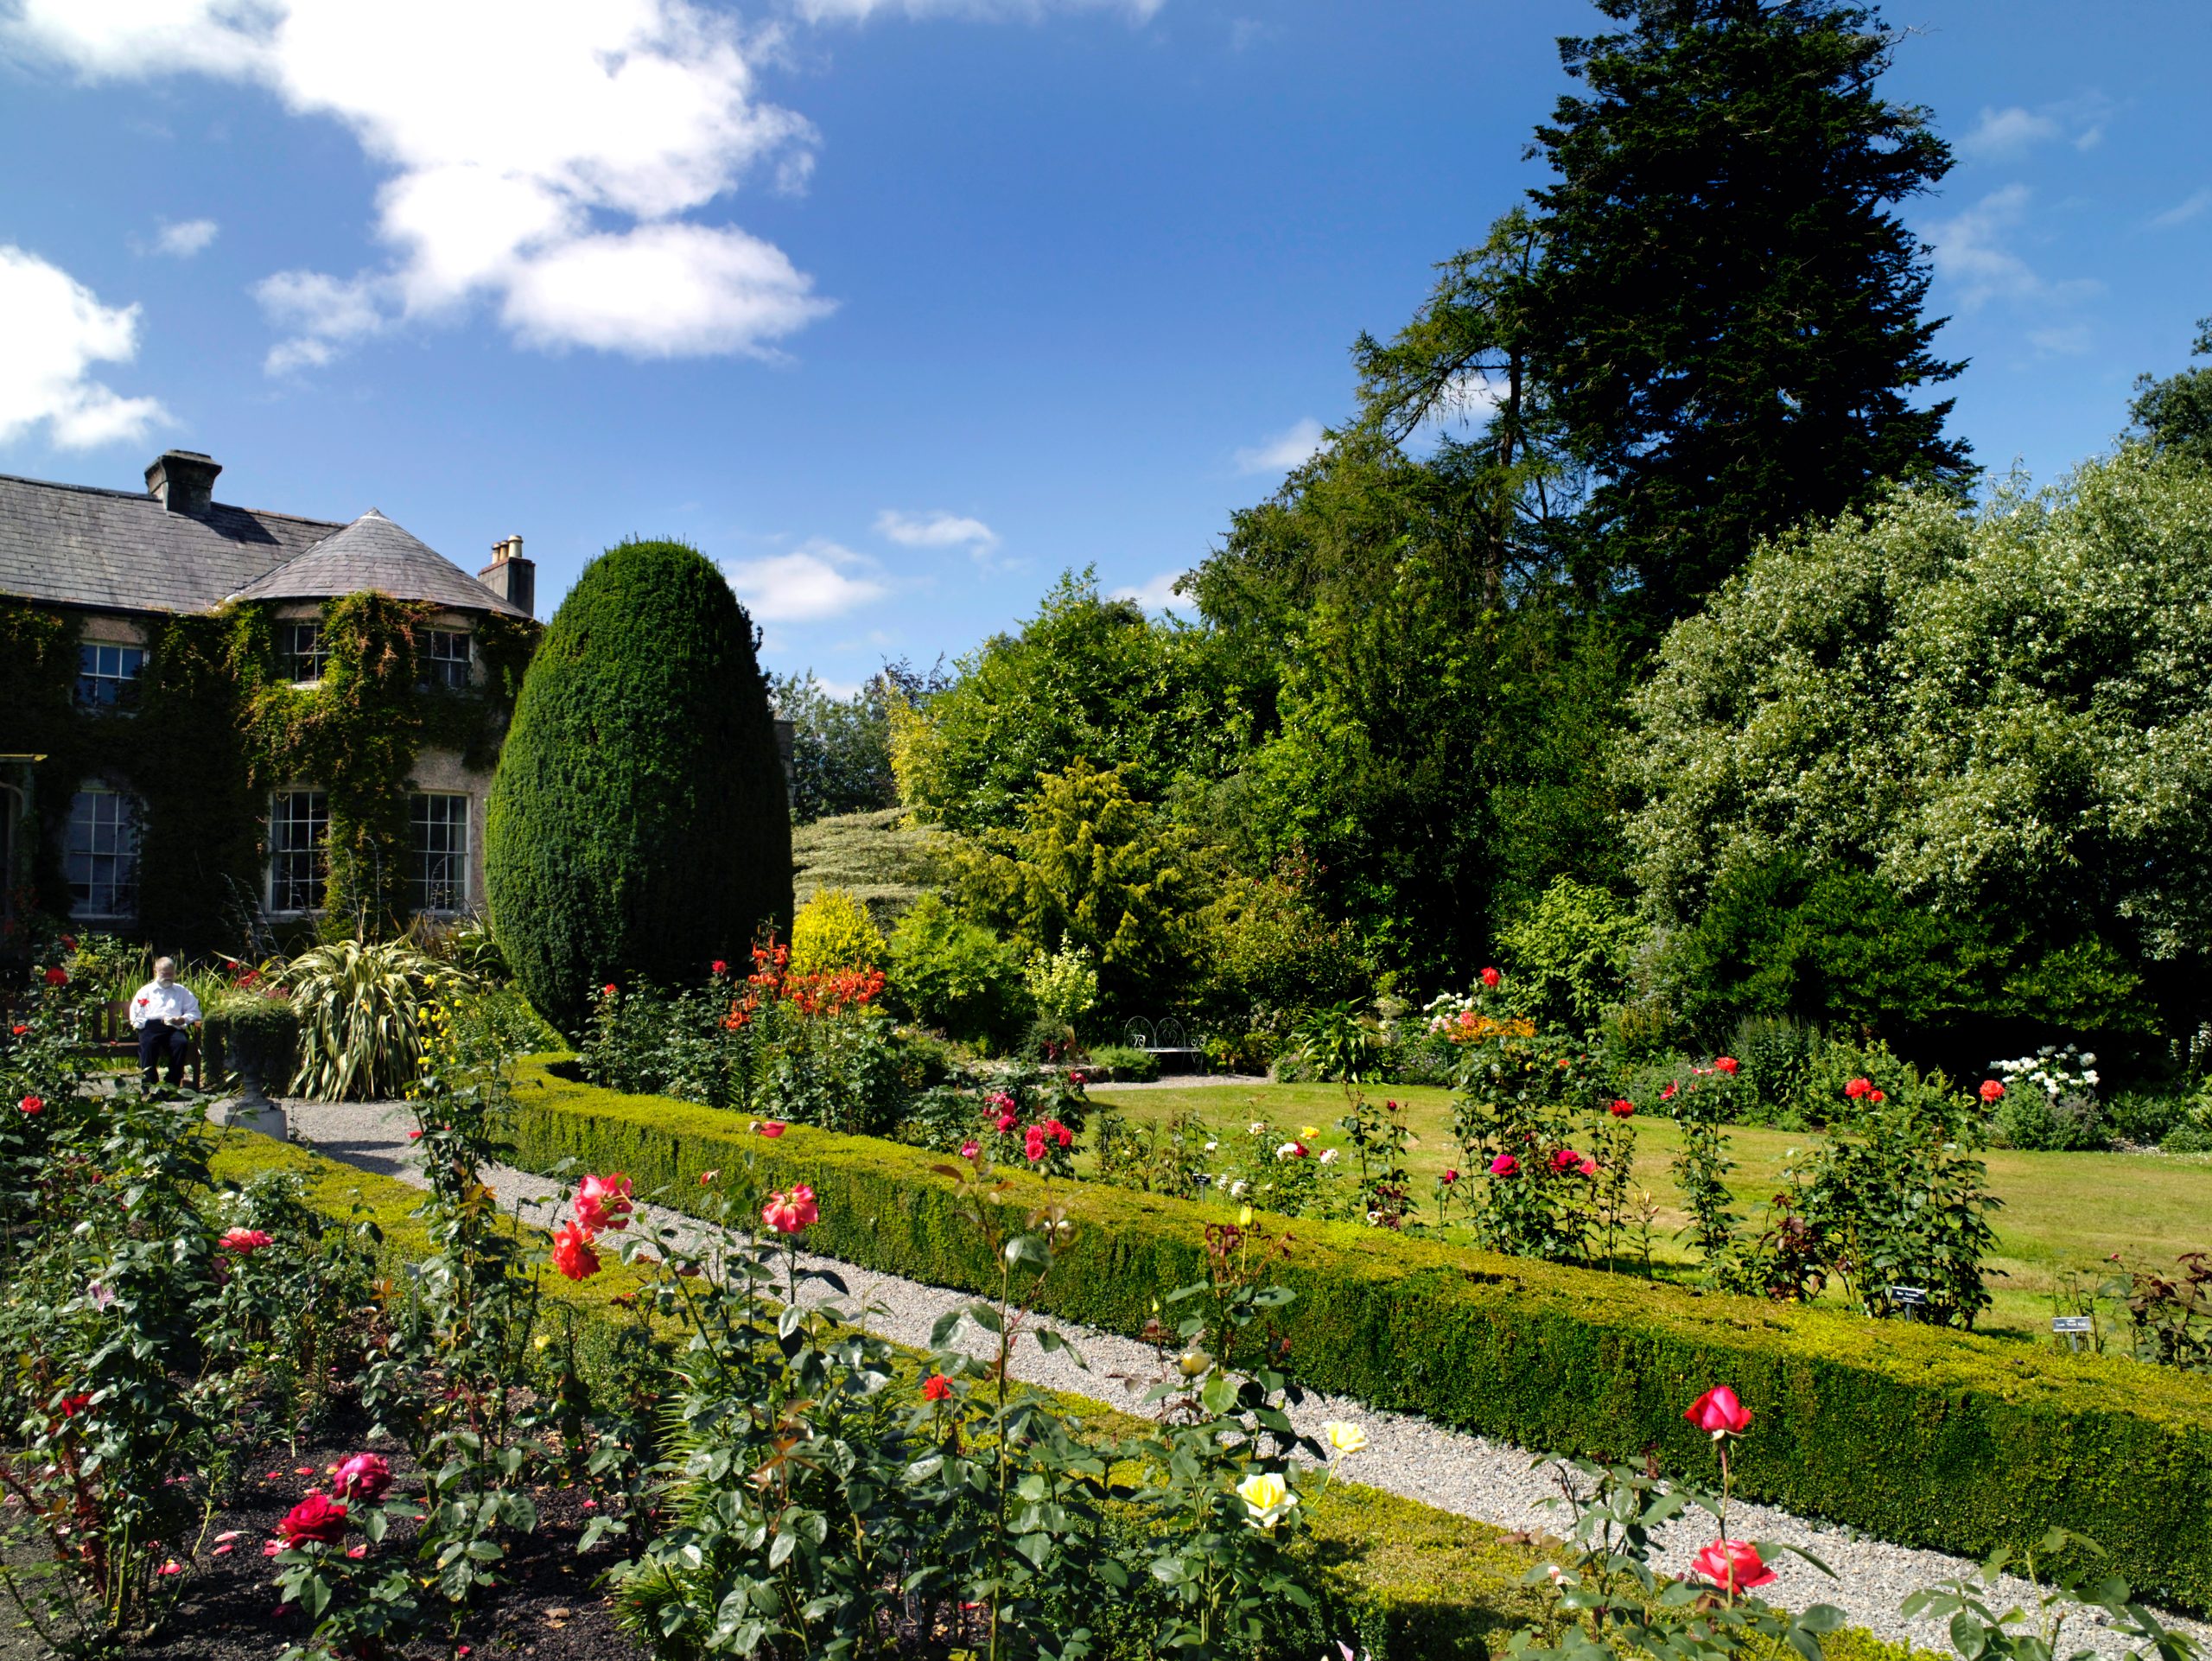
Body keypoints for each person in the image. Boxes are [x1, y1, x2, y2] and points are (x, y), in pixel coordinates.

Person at [129, 957, 201, 1088]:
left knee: (181, 1044)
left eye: (171, 973)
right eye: (164, 973)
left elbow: (195, 1012)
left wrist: (183, 1019)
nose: (168, 977)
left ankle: (170, 1086)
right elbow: (136, 1014)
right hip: (151, 1026)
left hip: (174, 1026)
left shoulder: (181, 991)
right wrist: (143, 1026)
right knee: (148, 1046)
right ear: (156, 970)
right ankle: (150, 1088)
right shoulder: (146, 991)